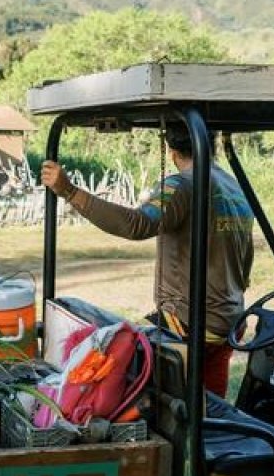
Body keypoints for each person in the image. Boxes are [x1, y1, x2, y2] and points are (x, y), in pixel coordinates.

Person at [41, 122, 254, 396]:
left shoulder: (182, 185)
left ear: (171, 149)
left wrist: (69, 191)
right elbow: (246, 260)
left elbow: (136, 224)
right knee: (212, 415)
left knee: (171, 417)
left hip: (188, 326)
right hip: (228, 323)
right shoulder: (233, 187)